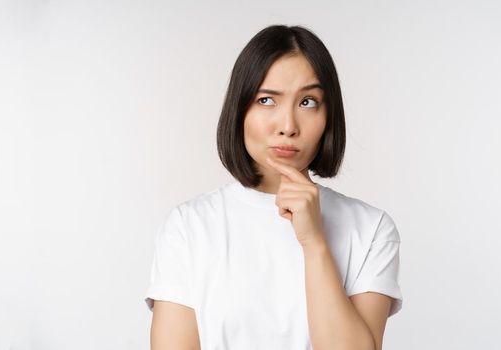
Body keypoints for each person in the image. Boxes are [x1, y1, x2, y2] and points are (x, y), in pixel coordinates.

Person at [144, 24, 403, 350]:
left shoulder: (371, 228)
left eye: (308, 102)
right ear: (240, 110)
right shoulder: (188, 227)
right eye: (266, 100)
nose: (288, 126)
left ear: (328, 115)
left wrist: (314, 243)